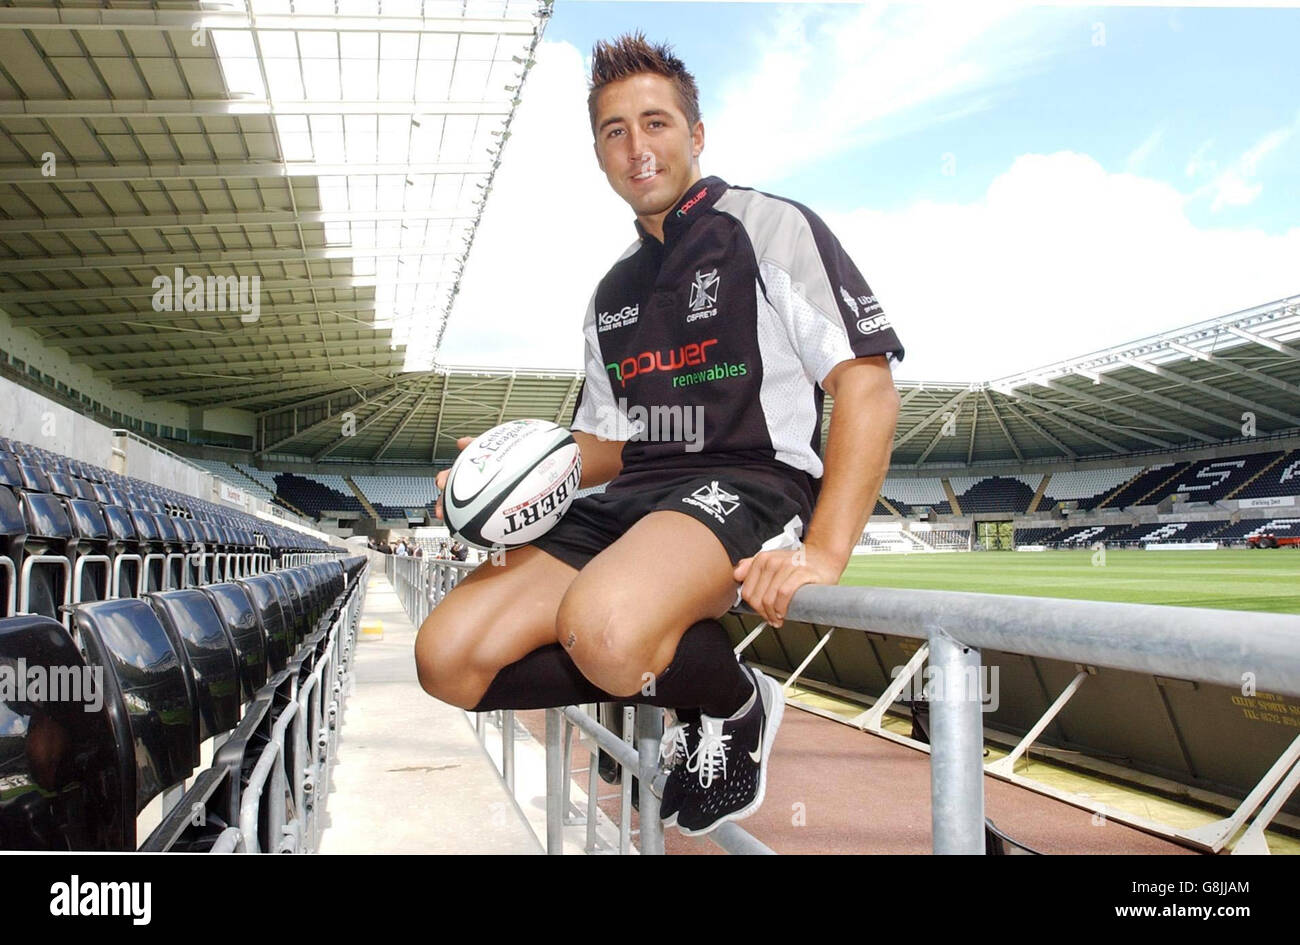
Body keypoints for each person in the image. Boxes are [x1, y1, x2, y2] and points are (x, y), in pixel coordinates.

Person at [415, 33, 902, 837]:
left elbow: (866, 385)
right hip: (635, 497)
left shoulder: (768, 227)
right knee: (449, 656)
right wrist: (513, 461)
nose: (637, 148)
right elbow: (607, 442)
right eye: (615, 131)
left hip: (746, 480)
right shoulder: (610, 291)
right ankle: (679, 671)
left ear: (696, 134)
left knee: (604, 627)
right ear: (600, 153)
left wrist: (823, 551)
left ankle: (732, 703)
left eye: (656, 123)